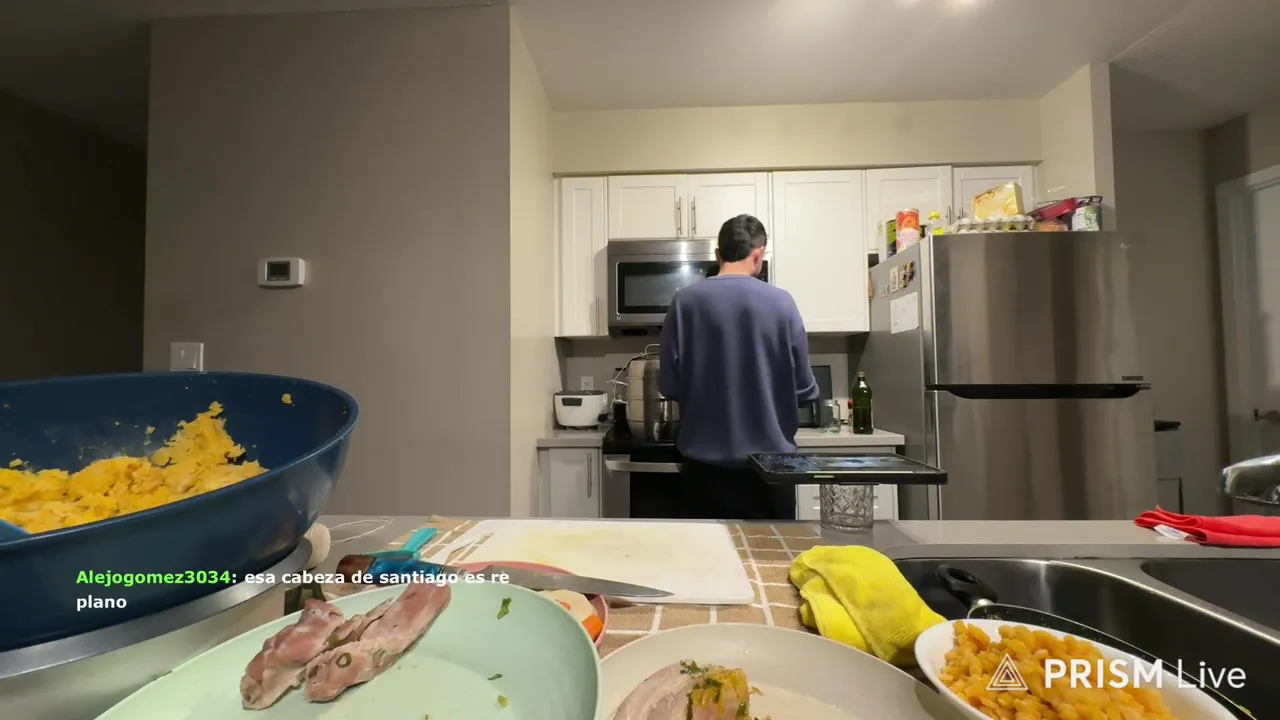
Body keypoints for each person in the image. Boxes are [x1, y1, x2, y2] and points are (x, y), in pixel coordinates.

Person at [658, 214, 819, 520]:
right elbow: (804, 389)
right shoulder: (782, 302)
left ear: (718, 254)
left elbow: (669, 385)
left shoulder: (684, 302)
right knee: (771, 550)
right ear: (759, 255)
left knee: (706, 552)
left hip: (704, 474)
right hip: (771, 473)